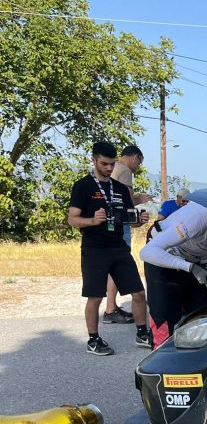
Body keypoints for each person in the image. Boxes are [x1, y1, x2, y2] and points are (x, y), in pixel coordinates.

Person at [67, 141, 150, 356]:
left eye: (112, 164)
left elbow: (129, 220)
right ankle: (93, 340)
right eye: (104, 164)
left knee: (138, 292)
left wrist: (139, 221)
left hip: (119, 247)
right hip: (94, 249)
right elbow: (72, 219)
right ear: (94, 160)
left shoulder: (119, 188)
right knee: (95, 297)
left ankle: (142, 334)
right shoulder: (83, 186)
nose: (109, 168)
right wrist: (92, 221)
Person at [140, 200, 207, 348]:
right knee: (165, 314)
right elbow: (147, 252)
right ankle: (160, 353)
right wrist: (189, 267)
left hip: (194, 260)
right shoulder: (198, 217)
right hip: (163, 255)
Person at [102, 145, 153, 324]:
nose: (137, 166)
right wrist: (140, 201)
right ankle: (110, 309)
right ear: (134, 157)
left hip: (107, 223)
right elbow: (126, 202)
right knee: (119, 264)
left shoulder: (112, 168)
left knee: (113, 265)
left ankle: (111, 307)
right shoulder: (124, 171)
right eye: (139, 162)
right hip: (119, 224)